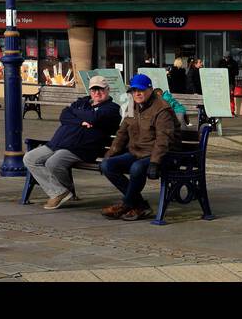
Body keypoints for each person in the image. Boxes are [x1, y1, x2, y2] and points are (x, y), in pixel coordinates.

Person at [23, 75, 121, 209]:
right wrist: (81, 121)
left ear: (108, 90)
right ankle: (60, 191)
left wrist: (75, 113)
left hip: (81, 148)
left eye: (101, 90)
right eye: (94, 90)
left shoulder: (112, 108)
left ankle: (59, 193)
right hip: (57, 143)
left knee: (53, 162)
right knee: (30, 158)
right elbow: (64, 115)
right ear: (90, 91)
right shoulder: (82, 102)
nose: (97, 93)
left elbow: (94, 118)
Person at [101, 74, 179, 221]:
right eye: (134, 90)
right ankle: (140, 205)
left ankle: (126, 204)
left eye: (141, 90)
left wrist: (155, 162)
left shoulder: (162, 109)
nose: (137, 93)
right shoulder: (132, 106)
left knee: (136, 168)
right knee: (107, 165)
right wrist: (110, 153)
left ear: (150, 90)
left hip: (162, 154)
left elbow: (163, 139)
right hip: (137, 152)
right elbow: (122, 133)